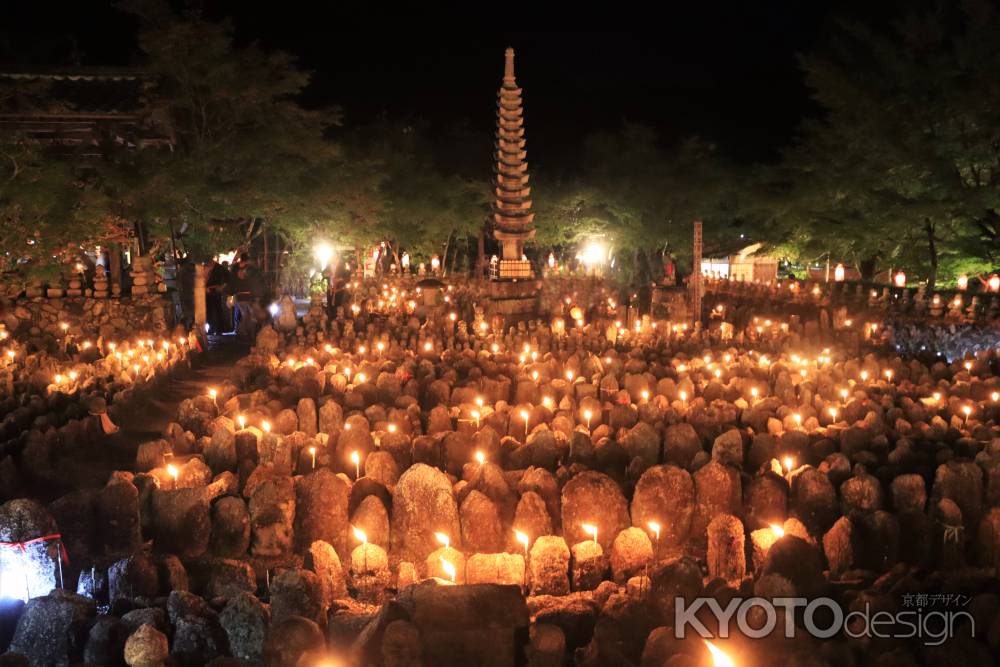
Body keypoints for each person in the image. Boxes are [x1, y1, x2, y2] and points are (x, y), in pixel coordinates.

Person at [226, 262, 262, 343]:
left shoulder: (248, 280)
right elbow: (231, 290)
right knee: (245, 314)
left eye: (243, 272)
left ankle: (248, 332)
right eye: (240, 272)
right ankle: (242, 332)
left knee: (251, 315)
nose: (242, 273)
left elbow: (253, 289)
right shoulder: (235, 281)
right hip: (241, 300)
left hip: (248, 300)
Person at [205, 258, 231, 334]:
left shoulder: (219, 268)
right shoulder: (205, 266)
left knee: (218, 310)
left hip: (215, 291)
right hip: (206, 291)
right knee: (209, 311)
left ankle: (219, 329)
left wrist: (222, 286)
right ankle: (211, 329)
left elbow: (228, 276)